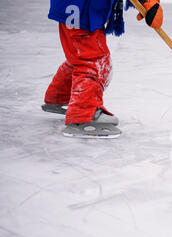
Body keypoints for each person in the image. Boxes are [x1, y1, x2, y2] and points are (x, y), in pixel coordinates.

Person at [42, 0, 163, 138]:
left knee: (79, 56)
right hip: (80, 10)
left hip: (78, 9)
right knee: (93, 61)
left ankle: (60, 97)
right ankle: (83, 116)